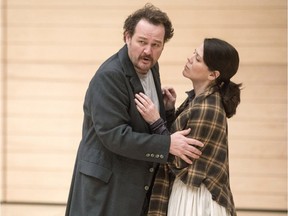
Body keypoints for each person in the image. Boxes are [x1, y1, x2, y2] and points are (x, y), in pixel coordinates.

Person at [65, 4, 204, 216]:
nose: (148, 50)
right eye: (142, 42)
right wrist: (168, 144)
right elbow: (115, 136)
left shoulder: (150, 66)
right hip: (105, 189)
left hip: (133, 186)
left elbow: (145, 123)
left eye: (156, 44)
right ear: (127, 37)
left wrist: (166, 110)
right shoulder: (109, 76)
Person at [135, 38, 242, 216]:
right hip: (188, 193)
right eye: (194, 53)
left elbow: (179, 158)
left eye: (198, 59)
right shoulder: (198, 100)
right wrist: (169, 112)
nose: (190, 58)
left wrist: (155, 121)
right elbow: (177, 140)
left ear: (213, 75)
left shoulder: (208, 107)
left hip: (196, 200)